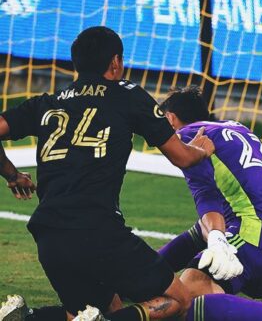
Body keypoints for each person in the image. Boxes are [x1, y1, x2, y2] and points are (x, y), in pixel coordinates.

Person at [0, 26, 215, 321]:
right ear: (115, 62)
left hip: (49, 235)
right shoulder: (128, 96)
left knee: (96, 309)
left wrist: (11, 174)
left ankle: (28, 317)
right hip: (99, 230)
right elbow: (183, 158)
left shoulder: (47, 103)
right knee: (177, 299)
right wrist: (202, 148)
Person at [155, 86, 262, 321]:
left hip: (252, 239)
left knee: (183, 299)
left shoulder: (189, 136)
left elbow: (205, 194)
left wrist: (217, 239)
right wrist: (146, 272)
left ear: (170, 118)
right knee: (202, 231)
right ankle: (139, 276)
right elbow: (201, 230)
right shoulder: (237, 128)